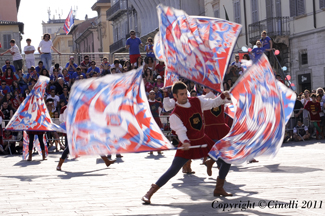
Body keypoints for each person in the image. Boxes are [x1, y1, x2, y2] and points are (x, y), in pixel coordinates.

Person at [142, 81, 233, 204]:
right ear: (175, 96)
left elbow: (213, 103)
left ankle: (219, 188)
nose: (185, 96)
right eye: (181, 94)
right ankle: (149, 193)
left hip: (204, 140)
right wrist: (184, 141)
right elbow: (181, 130)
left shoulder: (197, 101)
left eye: (185, 93)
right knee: (173, 170)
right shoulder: (175, 114)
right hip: (188, 145)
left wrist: (222, 96)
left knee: (226, 161)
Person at [56, 105, 116, 170]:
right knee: (68, 148)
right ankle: (59, 165)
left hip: (83, 133)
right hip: (75, 133)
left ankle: (106, 161)